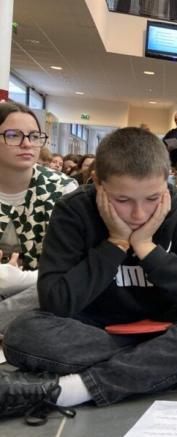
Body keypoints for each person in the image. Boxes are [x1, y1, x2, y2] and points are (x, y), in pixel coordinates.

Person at [0, 127, 177, 425]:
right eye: (122, 200)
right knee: (23, 333)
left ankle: (72, 390)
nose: (138, 214)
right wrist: (115, 244)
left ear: (167, 183)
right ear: (97, 183)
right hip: (96, 328)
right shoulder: (73, 211)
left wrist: (146, 248)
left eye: (152, 198)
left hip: (167, 325)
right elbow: (57, 302)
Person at [0, 102, 78, 334]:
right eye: (13, 135)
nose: (27, 144)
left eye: (34, 136)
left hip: (42, 292)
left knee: (60, 290)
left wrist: (21, 279)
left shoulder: (63, 189)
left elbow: (75, 267)